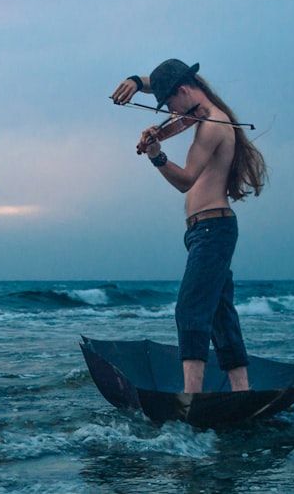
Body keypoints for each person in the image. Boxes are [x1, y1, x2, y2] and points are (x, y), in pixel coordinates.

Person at [112, 59, 266, 394]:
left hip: (213, 229)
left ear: (184, 90)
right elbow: (166, 85)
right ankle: (242, 392)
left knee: (190, 309)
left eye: (169, 103)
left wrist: (156, 155)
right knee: (221, 315)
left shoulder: (212, 125)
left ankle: (191, 397)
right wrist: (136, 82)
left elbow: (184, 180)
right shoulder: (199, 113)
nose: (169, 111)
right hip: (205, 230)